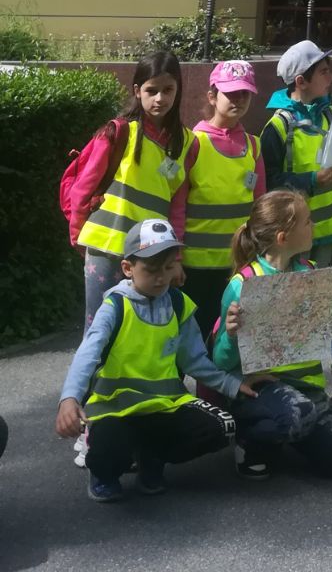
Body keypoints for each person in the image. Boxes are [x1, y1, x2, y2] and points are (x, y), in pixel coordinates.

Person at [55, 218, 253, 502]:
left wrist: (233, 385)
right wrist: (70, 398)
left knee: (222, 427)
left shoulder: (178, 304)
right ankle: (103, 470)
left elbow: (196, 362)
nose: (161, 278)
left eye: (168, 268)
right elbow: (88, 353)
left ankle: (151, 457)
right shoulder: (115, 306)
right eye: (151, 270)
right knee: (109, 448)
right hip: (115, 410)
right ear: (128, 268)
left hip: (163, 407)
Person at [211, 189, 332, 480]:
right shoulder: (244, 284)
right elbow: (221, 361)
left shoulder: (313, 273)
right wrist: (230, 334)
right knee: (297, 413)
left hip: (308, 389)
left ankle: (295, 434)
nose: (313, 226)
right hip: (262, 388)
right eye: (307, 222)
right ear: (283, 237)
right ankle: (250, 441)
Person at [73, 50, 195, 329]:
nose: (160, 98)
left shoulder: (188, 143)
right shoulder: (119, 131)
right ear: (137, 91)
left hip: (152, 256)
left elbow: (177, 206)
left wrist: (175, 258)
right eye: (152, 90)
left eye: (168, 90)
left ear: (178, 90)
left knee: (142, 329)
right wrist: (77, 235)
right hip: (106, 248)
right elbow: (83, 188)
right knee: (100, 328)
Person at [182, 59, 264, 341]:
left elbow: (260, 205)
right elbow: (178, 204)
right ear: (212, 96)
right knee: (192, 339)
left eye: (245, 94)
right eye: (231, 93)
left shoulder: (254, 145)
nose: (238, 100)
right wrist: (175, 258)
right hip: (194, 265)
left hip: (237, 264)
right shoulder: (193, 142)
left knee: (229, 339)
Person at [261, 40, 332, 265]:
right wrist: (311, 180)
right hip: (295, 237)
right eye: (324, 72)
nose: (331, 77)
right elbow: (270, 181)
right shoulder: (277, 127)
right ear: (301, 81)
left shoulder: (329, 113)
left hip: (330, 232)